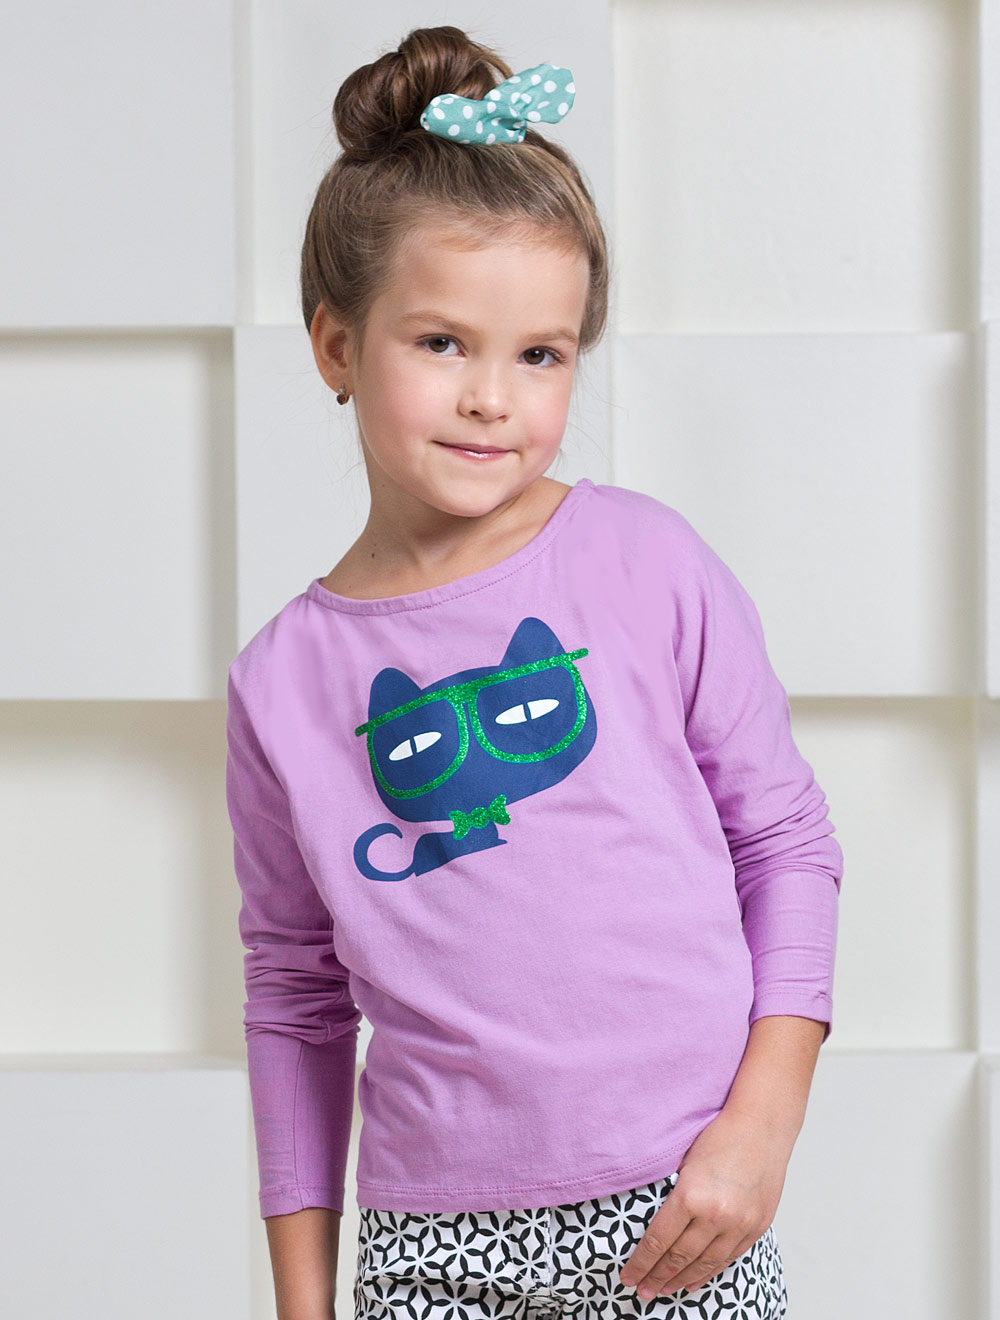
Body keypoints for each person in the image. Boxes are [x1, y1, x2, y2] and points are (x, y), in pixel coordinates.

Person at [224, 24, 843, 1320]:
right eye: (441, 343)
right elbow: (294, 995)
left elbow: (785, 843)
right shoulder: (282, 682)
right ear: (336, 345)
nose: (492, 399)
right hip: (431, 1248)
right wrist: (303, 1303)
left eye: (540, 354)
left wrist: (762, 1128)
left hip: (682, 1207)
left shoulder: (646, 562)